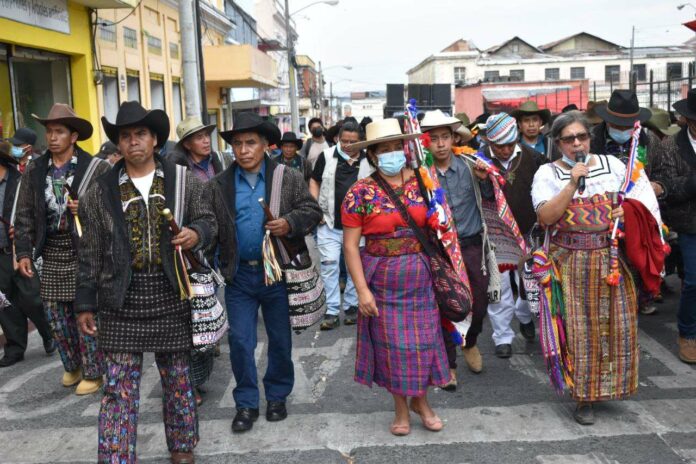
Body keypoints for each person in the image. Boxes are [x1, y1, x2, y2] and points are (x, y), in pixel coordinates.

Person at [75, 101, 216, 464]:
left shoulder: (184, 181)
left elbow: (209, 221)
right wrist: (85, 303)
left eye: (140, 134)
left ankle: (182, 447)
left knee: (178, 379)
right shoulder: (98, 192)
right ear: (118, 145)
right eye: (125, 136)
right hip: (119, 298)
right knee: (118, 388)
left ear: (155, 139)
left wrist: (195, 233)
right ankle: (117, 456)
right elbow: (89, 250)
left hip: (171, 292)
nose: (133, 142)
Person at [207, 112, 321, 433]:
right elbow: (209, 225)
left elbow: (312, 211)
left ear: (265, 145)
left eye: (250, 143)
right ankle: (246, 403)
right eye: (237, 144)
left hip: (278, 274)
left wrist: (289, 223)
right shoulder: (219, 185)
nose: (243, 150)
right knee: (241, 342)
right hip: (239, 277)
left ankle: (277, 396)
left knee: (280, 340)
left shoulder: (286, 177)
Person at [531, 110, 640, 425]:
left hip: (608, 259)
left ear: (590, 138)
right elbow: (546, 218)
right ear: (558, 143)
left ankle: (610, 388)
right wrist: (571, 184)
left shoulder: (614, 166)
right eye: (569, 139)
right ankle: (583, 397)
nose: (577, 143)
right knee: (578, 331)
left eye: (582, 136)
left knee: (614, 327)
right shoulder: (547, 174)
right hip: (570, 262)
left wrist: (626, 208)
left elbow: (640, 198)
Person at [342, 118, 449, 436]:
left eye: (394, 148)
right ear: (372, 156)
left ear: (404, 149)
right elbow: (350, 246)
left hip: (421, 276)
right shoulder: (359, 192)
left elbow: (443, 227)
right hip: (381, 279)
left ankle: (422, 402)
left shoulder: (424, 181)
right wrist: (362, 291)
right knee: (393, 348)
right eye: (382, 149)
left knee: (423, 344)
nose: (390, 154)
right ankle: (401, 409)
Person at [14, 103, 110, 395]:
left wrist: (88, 208)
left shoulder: (97, 168)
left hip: (85, 251)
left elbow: (112, 211)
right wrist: (24, 251)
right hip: (52, 253)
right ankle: (73, 365)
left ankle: (94, 372)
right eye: (49, 132)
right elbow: (25, 213)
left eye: (59, 132)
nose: (52, 137)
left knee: (87, 313)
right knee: (57, 319)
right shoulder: (35, 168)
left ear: (73, 136)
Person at [420, 109, 493, 380]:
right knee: (447, 305)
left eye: (445, 137)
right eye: (433, 138)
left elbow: (490, 199)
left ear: (453, 138)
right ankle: (448, 362)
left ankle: (470, 342)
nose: (440, 144)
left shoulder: (470, 164)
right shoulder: (419, 174)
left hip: (472, 245)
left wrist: (485, 181)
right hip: (439, 249)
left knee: (480, 302)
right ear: (425, 142)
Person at [483, 113, 549, 358]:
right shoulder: (477, 161)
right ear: (489, 142)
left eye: (510, 144)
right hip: (494, 236)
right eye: (499, 145)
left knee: (530, 283)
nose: (505, 150)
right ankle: (502, 337)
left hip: (530, 232)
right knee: (498, 289)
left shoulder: (535, 159)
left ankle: (524, 315)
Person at [591, 89, 658, 315]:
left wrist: (660, 187)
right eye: (617, 125)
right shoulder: (591, 140)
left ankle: (637, 299)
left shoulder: (649, 142)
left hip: (639, 211)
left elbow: (661, 173)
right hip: (602, 211)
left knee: (637, 255)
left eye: (626, 126)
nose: (622, 130)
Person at [309, 121, 371, 329]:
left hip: (359, 226)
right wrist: (315, 208)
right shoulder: (326, 157)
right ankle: (332, 310)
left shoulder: (368, 160)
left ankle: (352, 306)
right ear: (337, 138)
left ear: (360, 142)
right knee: (329, 265)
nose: (347, 145)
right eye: (344, 141)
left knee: (356, 267)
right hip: (329, 223)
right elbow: (314, 181)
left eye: (353, 142)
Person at [0, 140, 55, 367]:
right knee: (5, 302)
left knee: (32, 297)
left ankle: (50, 333)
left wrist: (23, 229)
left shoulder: (20, 180)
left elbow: (34, 210)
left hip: (19, 249)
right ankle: (14, 347)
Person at [651, 88, 696, 364]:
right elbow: (664, 187)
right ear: (690, 120)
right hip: (689, 224)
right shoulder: (669, 146)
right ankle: (687, 333)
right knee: (693, 282)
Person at [171, 116, 232, 182]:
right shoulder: (181, 171)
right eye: (199, 137)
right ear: (187, 145)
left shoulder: (223, 159)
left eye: (207, 135)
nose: (206, 141)